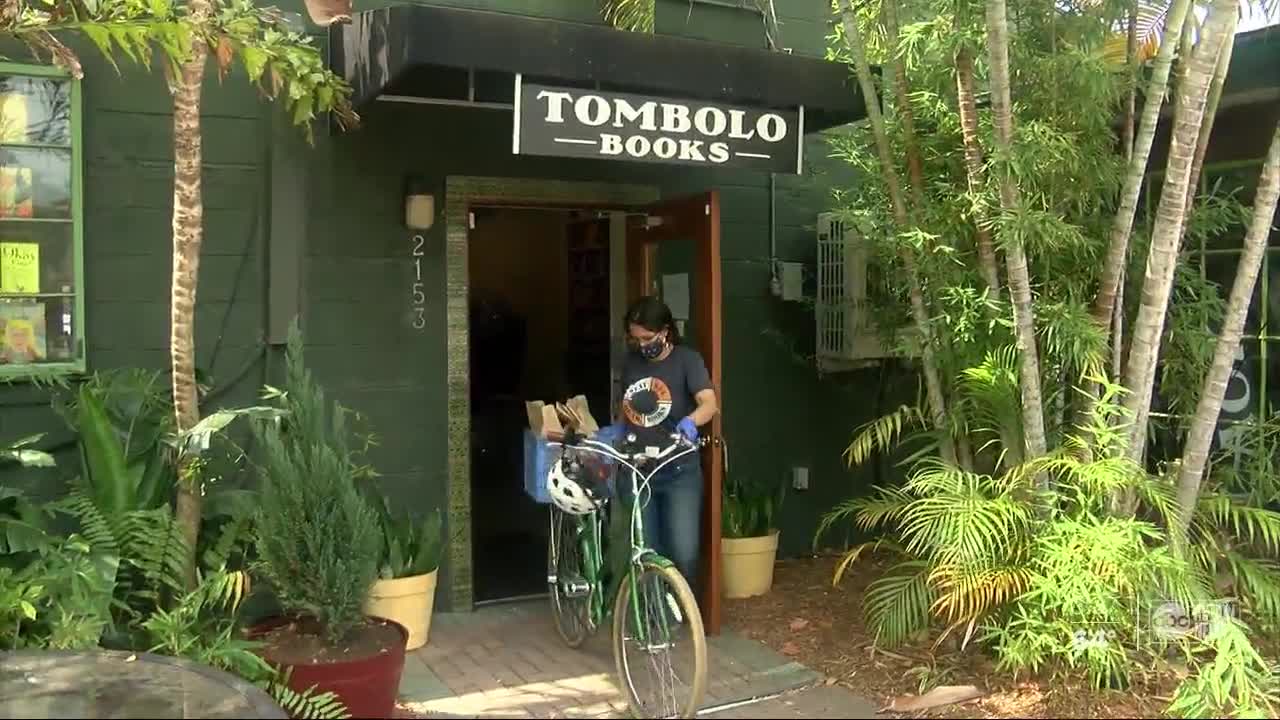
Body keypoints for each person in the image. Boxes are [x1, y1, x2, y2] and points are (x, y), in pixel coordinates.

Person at [606, 296, 718, 589]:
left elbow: (709, 403)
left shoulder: (687, 360)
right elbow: (626, 406)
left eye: (647, 337)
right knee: (646, 552)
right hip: (637, 471)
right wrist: (615, 437)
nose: (642, 345)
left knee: (684, 552)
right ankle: (654, 621)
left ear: (665, 331)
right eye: (635, 338)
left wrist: (691, 422)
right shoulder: (631, 363)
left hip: (678, 470)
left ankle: (681, 612)